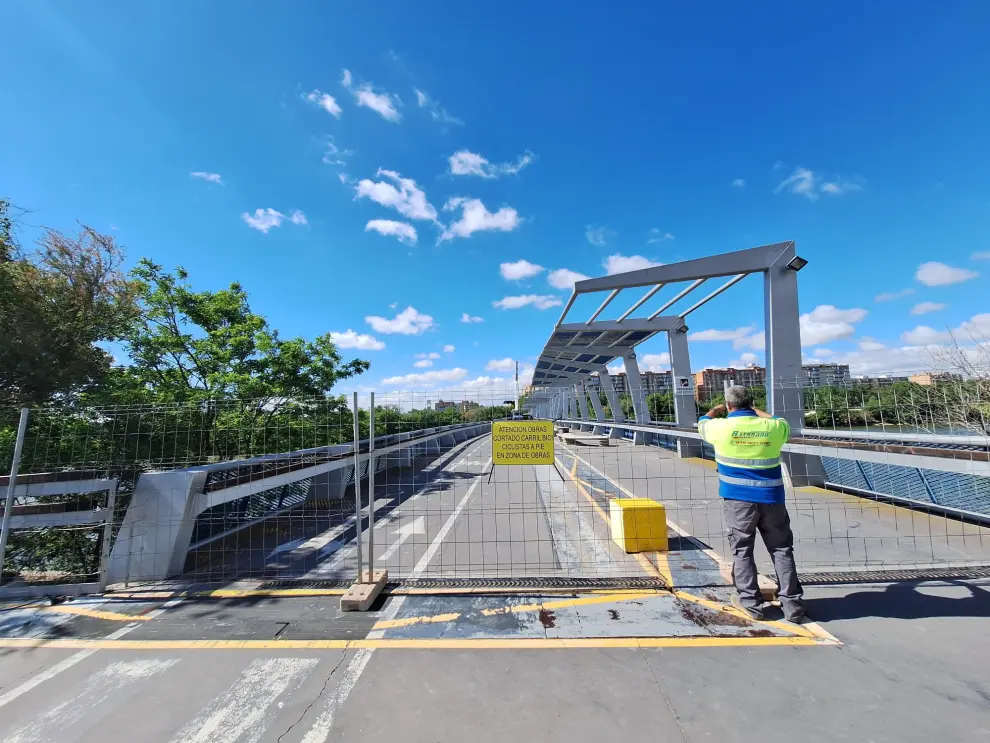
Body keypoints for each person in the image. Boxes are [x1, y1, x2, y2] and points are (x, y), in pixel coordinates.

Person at [697, 385, 807, 623]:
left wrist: (715, 409)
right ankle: (793, 605)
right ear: (751, 403)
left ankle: (751, 603)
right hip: (772, 498)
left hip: (738, 500)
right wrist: (759, 412)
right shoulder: (772, 427)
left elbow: (703, 421)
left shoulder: (721, 427)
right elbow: (781, 421)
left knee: (743, 550)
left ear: (728, 406)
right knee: (781, 550)